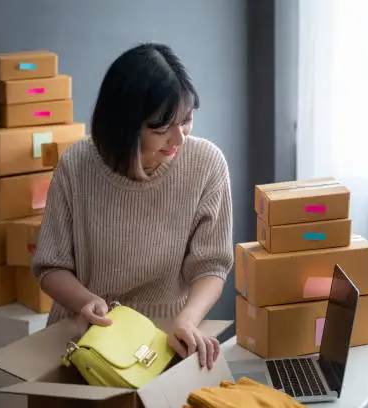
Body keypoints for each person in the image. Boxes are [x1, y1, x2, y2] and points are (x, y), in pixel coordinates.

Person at [31, 43, 234, 370]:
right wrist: (87, 302)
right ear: (123, 126)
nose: (179, 139)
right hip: (84, 340)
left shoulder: (207, 164)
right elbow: (50, 267)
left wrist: (189, 319)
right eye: (162, 128)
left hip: (164, 342)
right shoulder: (77, 165)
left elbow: (211, 266)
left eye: (187, 120)